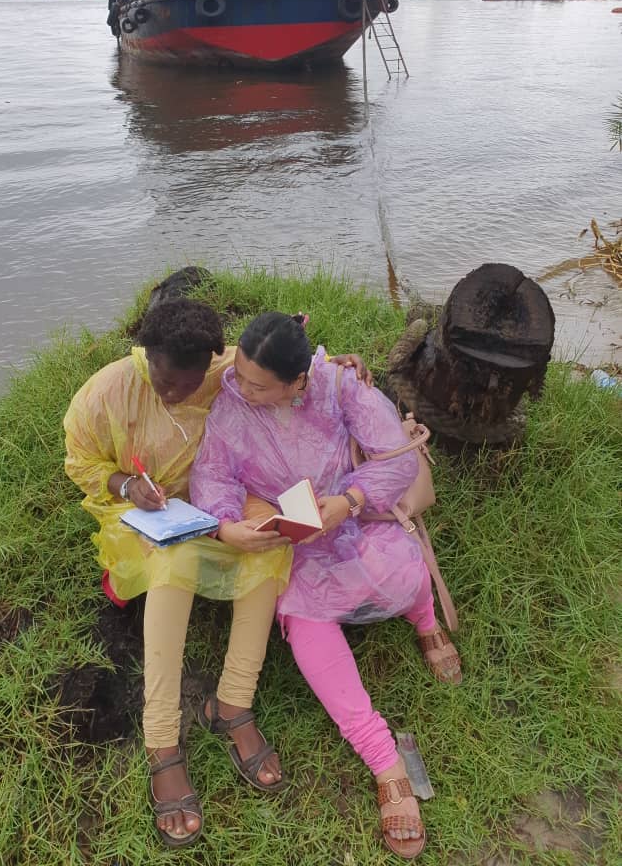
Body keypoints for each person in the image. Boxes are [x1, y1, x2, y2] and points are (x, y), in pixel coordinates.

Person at [63, 297, 372, 849]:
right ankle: (161, 739)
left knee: (272, 546)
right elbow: (82, 462)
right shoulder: (107, 391)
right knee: (177, 558)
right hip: (143, 521)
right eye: (163, 380)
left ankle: (232, 702)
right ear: (146, 356)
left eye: (186, 383)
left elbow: (282, 359)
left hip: (214, 506)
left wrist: (335, 366)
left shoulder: (222, 370)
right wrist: (124, 485)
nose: (175, 393)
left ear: (208, 362)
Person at [190, 312, 462, 861]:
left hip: (356, 518)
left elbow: (396, 460)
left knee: (403, 572)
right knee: (304, 622)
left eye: (258, 384)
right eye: (240, 375)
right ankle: (384, 761)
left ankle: (427, 624)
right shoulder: (230, 403)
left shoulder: (338, 383)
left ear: (298, 382)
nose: (241, 389)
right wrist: (228, 526)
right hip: (294, 542)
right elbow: (212, 476)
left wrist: (349, 502)